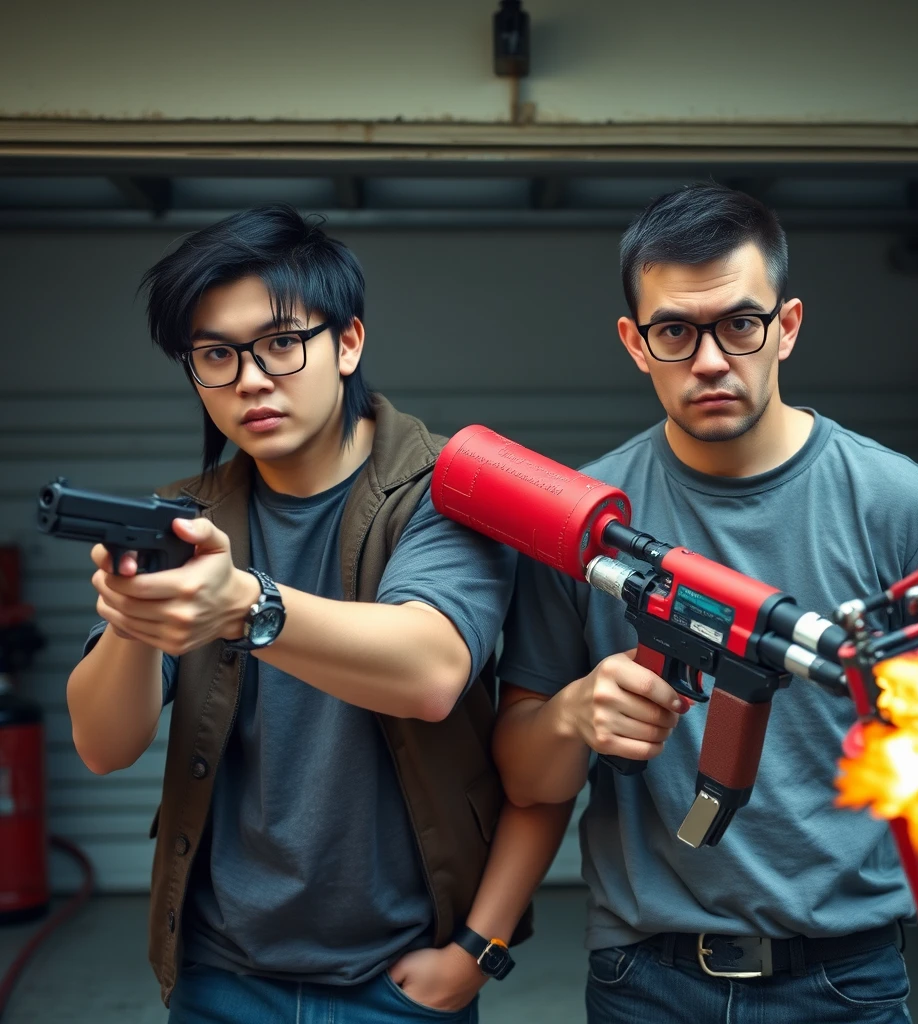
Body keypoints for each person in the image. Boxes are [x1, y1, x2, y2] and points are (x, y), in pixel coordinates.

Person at [493, 182, 918, 1024]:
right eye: (674, 331)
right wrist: (572, 715)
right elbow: (525, 777)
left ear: (788, 326)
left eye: (740, 324)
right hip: (645, 979)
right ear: (635, 343)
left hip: (846, 977)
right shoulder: (582, 518)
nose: (709, 360)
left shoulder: (899, 504)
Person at [66, 204, 571, 1023]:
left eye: (279, 343)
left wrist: (474, 956)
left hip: (401, 981)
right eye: (215, 356)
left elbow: (431, 671)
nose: (251, 379)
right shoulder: (185, 519)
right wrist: (131, 620)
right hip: (218, 973)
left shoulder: (450, 492)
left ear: (347, 343)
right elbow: (101, 744)